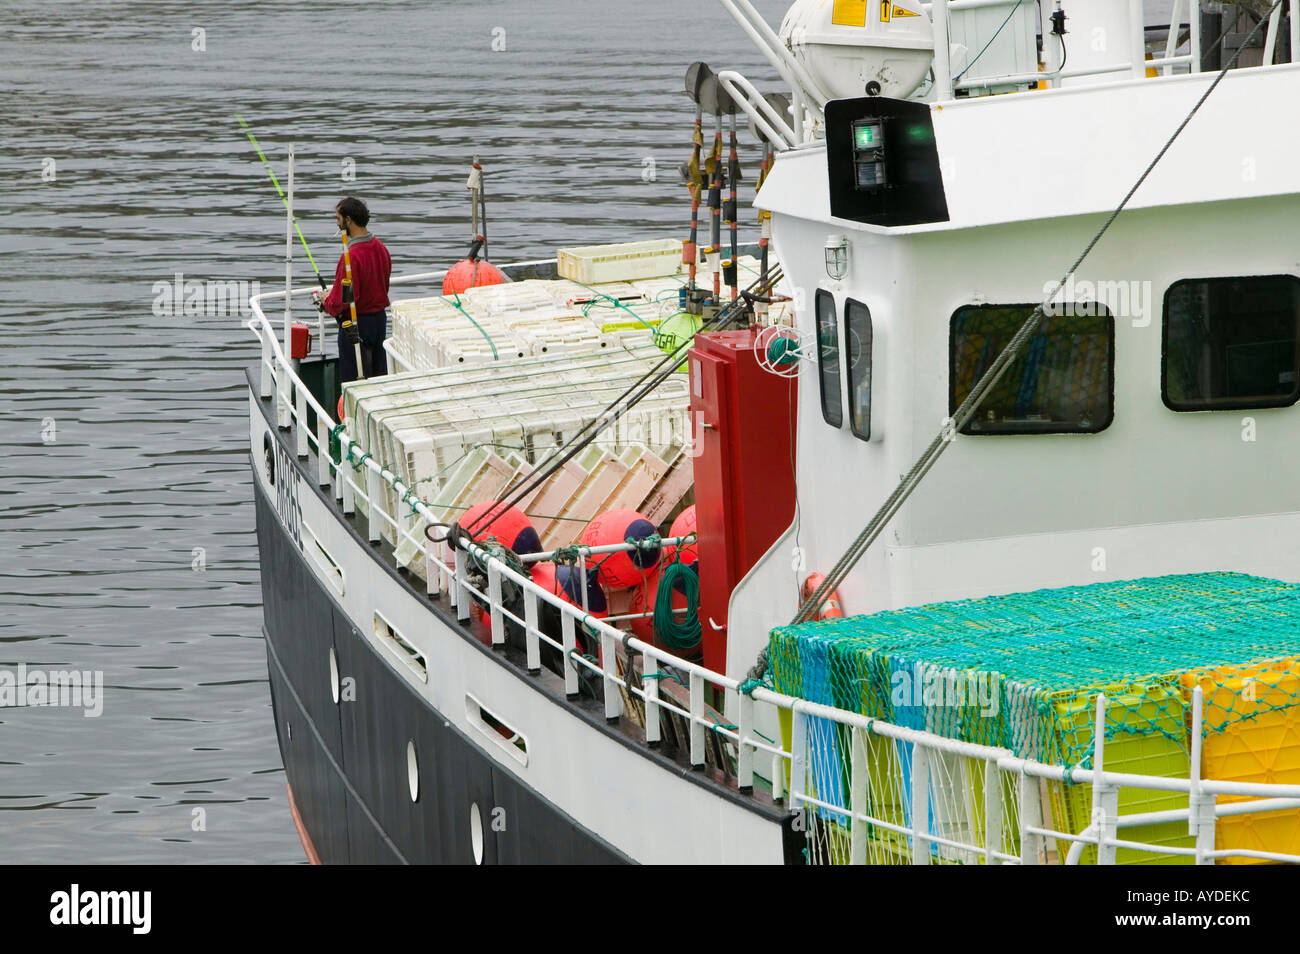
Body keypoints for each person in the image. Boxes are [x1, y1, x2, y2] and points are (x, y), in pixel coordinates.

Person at [312, 197, 392, 383]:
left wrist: (326, 300)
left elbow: (343, 300)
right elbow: (382, 284)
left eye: (338, 219)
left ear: (348, 220)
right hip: (379, 321)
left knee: (354, 381)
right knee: (378, 378)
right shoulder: (381, 248)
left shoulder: (351, 257)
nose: (337, 223)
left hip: (355, 325)